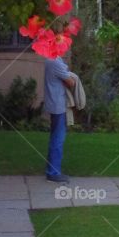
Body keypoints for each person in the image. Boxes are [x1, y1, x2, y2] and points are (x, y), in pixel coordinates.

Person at [43, 55, 76, 183]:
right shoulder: (55, 61)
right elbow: (71, 82)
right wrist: (70, 76)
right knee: (58, 139)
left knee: (55, 138)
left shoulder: (51, 59)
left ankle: (52, 171)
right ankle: (53, 173)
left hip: (54, 104)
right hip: (58, 106)